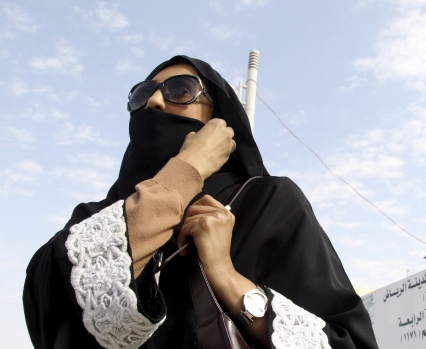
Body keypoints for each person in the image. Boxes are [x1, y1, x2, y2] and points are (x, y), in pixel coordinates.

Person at [23, 55, 379, 349]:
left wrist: (227, 277)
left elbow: (350, 341)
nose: (155, 102)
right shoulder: (94, 219)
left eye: (180, 90)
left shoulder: (267, 204)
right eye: (141, 95)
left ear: (217, 117)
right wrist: (184, 173)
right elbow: (48, 312)